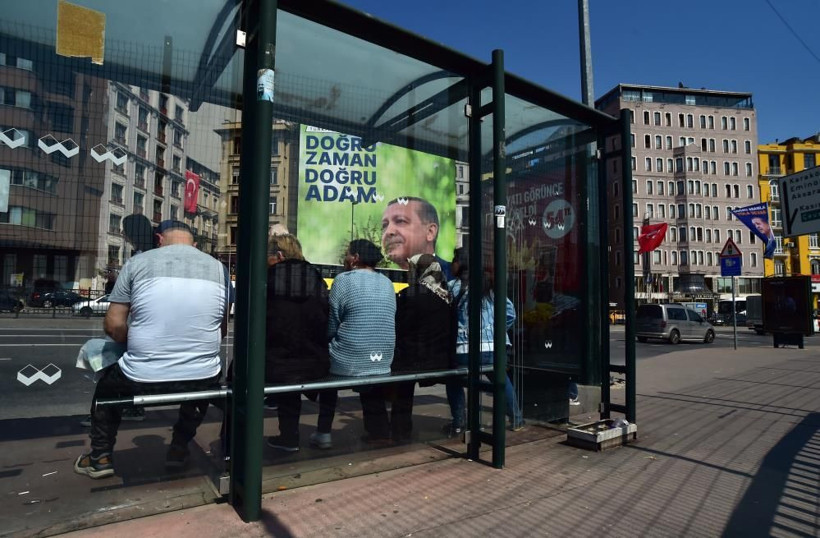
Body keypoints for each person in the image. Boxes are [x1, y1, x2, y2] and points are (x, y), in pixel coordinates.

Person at [74, 220, 230, 479]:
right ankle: (179, 449)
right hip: (202, 377)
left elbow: (113, 324)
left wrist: (136, 341)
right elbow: (221, 329)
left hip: (142, 376)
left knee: (106, 391)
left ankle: (100, 456)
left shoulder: (138, 263)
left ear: (159, 239)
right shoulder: (219, 268)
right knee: (202, 384)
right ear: (194, 244)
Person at [315, 239, 396, 447]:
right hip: (383, 359)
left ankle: (323, 433)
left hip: (349, 359)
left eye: (347, 254)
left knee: (328, 375)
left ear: (356, 258)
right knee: (372, 382)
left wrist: (329, 340)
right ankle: (379, 432)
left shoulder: (343, 280)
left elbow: (332, 322)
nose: (345, 258)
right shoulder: (386, 282)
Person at [444, 245, 524, 435]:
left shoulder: (453, 287)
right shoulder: (489, 285)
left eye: (454, 260)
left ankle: (459, 422)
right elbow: (510, 312)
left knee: (453, 381)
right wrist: (496, 331)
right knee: (502, 382)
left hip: (465, 350)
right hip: (494, 348)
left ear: (461, 263)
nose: (452, 264)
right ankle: (517, 419)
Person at [263, 233, 331, 453]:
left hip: (276, 361)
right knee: (293, 376)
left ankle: (288, 438)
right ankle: (312, 434)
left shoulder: (269, 278)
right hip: (314, 360)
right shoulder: (316, 277)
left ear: (279, 255)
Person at [390, 253, 455, 442]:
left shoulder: (411, 295)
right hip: (441, 359)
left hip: (414, 359)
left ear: (418, 271)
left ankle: (400, 430)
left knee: (400, 383)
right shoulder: (446, 295)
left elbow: (401, 328)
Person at [381, 196, 452, 280]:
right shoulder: (380, 280)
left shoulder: (455, 277)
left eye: (400, 221)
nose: (388, 231)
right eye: (384, 225)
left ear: (430, 232)